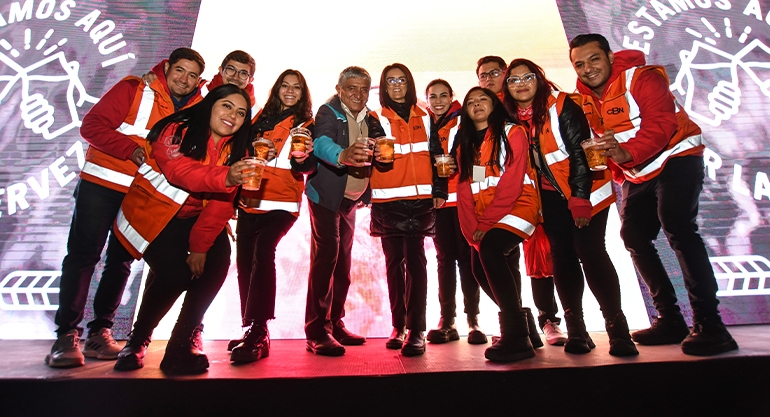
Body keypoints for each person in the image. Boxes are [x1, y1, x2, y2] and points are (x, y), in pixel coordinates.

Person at [569, 33, 738, 356]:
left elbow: (661, 124)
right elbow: (605, 143)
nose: (588, 68)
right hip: (637, 171)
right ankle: (670, 319)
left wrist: (624, 154)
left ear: (609, 57)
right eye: (579, 64)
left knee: (678, 227)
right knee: (633, 235)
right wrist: (620, 168)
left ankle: (710, 324)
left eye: (594, 59)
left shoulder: (643, 78)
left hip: (677, 158)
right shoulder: (584, 99)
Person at [45, 47, 206, 368]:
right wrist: (131, 149)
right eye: (180, 71)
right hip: (101, 185)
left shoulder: (195, 109)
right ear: (167, 67)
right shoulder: (134, 88)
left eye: (192, 75)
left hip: (140, 195)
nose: (184, 80)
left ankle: (100, 331)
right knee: (83, 255)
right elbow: (91, 127)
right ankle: (65, 336)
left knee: (121, 262)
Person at [111, 84, 254, 374]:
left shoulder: (240, 148)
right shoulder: (177, 129)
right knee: (176, 273)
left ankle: (180, 343)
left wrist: (200, 248)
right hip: (152, 216)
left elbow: (222, 204)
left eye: (241, 112)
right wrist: (228, 175)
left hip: (195, 219)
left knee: (216, 264)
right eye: (227, 105)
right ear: (210, 104)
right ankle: (137, 341)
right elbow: (180, 173)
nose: (233, 116)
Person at [503, 58, 638, 356]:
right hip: (549, 197)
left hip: (586, 190)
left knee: (590, 252)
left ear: (539, 80)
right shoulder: (510, 118)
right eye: (513, 80)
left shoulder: (562, 105)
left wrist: (579, 199)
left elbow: (579, 153)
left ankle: (618, 331)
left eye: (527, 77)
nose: (521, 83)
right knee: (562, 257)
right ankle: (576, 329)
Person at [477, 56, 565, 344]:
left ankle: (548, 320)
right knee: (490, 260)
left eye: (495, 73)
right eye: (483, 75)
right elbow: (478, 162)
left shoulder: (529, 107)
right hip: (498, 203)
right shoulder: (483, 113)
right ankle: (519, 322)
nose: (489, 79)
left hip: (537, 195)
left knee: (544, 257)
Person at [229, 70, 315, 363]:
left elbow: (308, 166)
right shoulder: (258, 120)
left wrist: (303, 159)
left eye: (296, 88)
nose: (290, 91)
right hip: (249, 200)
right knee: (244, 263)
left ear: (303, 94)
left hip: (281, 202)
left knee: (263, 253)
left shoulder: (307, 125)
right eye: (285, 86)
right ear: (277, 89)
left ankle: (259, 331)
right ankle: (250, 325)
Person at [456, 87, 541, 362]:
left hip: (519, 206)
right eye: (470, 102)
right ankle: (524, 324)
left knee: (491, 251)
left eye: (483, 99)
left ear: (494, 105)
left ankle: (516, 337)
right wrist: (472, 230)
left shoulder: (512, 132)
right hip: (488, 216)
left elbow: (512, 179)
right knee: (478, 267)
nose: (477, 105)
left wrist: (488, 222)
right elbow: (469, 188)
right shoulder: (467, 144)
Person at [303, 66, 384, 356]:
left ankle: (335, 323)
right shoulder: (328, 112)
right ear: (339, 89)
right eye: (352, 88)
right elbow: (321, 141)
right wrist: (342, 155)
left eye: (364, 89)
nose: (358, 95)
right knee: (326, 258)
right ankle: (316, 331)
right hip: (325, 197)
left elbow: (382, 145)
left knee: (343, 265)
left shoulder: (370, 117)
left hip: (349, 199)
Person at [370, 64, 436, 356]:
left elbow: (436, 155)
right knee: (393, 264)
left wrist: (442, 189)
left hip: (420, 201)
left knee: (417, 264)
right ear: (384, 86)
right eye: (390, 80)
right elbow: (368, 155)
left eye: (401, 79)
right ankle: (399, 325)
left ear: (409, 83)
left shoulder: (426, 115)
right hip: (388, 200)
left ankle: (417, 329)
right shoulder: (375, 118)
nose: (396, 84)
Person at [424, 79, 487, 345]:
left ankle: (473, 321)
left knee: (468, 258)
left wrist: (477, 188)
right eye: (432, 97)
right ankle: (446, 320)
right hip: (438, 203)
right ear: (426, 100)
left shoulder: (466, 120)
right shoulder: (424, 124)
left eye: (443, 95)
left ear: (452, 96)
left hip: (464, 201)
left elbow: (482, 157)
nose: (438, 101)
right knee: (444, 260)